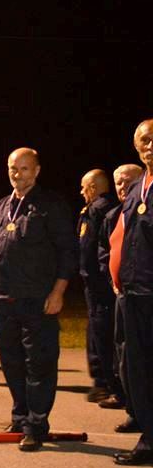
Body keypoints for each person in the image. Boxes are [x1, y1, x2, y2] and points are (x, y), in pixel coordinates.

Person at [0, 148, 75, 452]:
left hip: (38, 299)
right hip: (4, 299)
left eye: (24, 168)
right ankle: (20, 415)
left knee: (39, 363)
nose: (17, 174)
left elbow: (68, 251)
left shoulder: (51, 206)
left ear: (37, 170)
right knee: (11, 361)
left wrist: (58, 292)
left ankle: (36, 424)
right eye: (12, 168)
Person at [108, 120, 153, 466]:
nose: (149, 145)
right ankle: (149, 438)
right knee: (138, 369)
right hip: (132, 293)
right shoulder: (138, 188)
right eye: (144, 140)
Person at [99, 163, 144, 434]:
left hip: (143, 295)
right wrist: (114, 281)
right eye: (118, 182)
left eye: (129, 181)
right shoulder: (114, 215)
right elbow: (105, 252)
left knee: (142, 358)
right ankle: (135, 411)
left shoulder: (144, 211)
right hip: (122, 295)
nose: (123, 187)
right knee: (125, 356)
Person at [76, 169, 121, 407]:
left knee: (102, 333)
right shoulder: (109, 208)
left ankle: (108, 384)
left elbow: (90, 248)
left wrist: (90, 276)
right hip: (100, 282)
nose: (81, 192)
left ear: (93, 188)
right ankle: (105, 382)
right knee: (99, 331)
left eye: (84, 187)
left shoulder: (97, 210)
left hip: (98, 284)